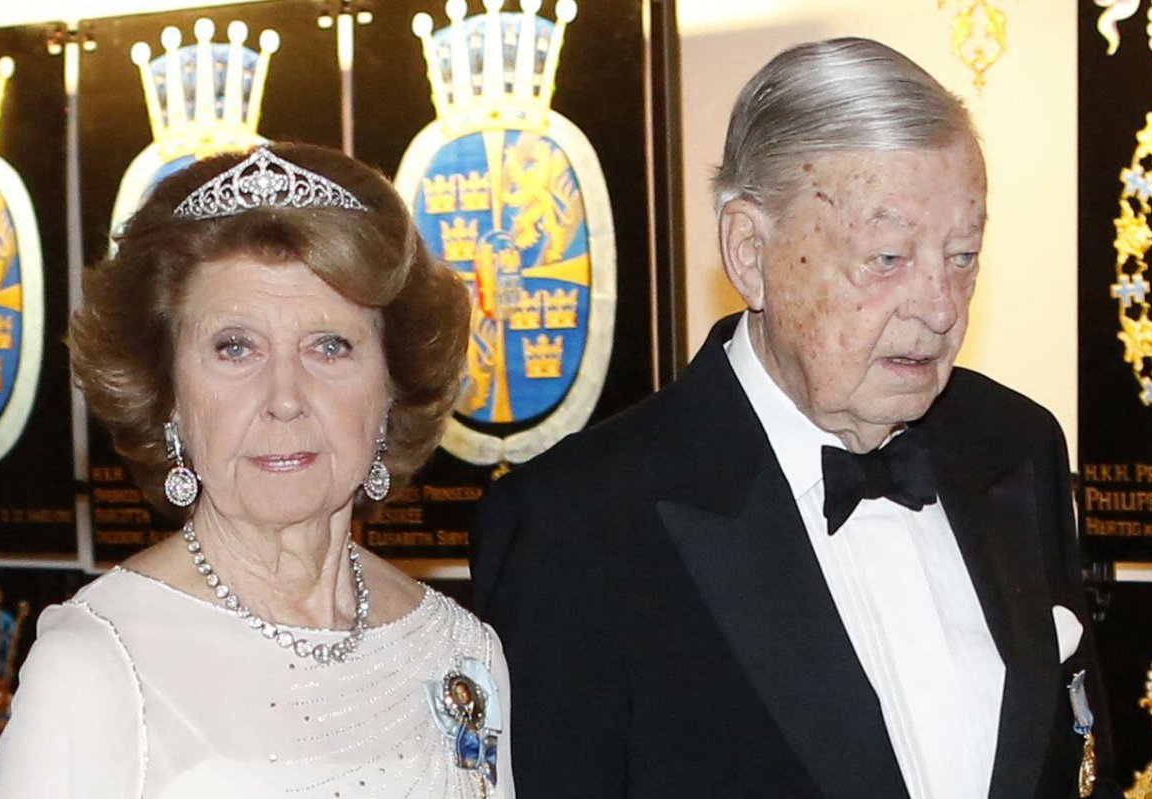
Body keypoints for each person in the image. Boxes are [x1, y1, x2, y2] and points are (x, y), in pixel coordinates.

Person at [471, 37, 1118, 799]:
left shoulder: (1017, 445)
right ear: (750, 252)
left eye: (963, 254)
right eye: (887, 258)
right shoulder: (577, 524)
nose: (942, 306)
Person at [0, 143, 513, 797]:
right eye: (235, 347)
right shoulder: (97, 662)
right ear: (168, 390)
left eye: (329, 345)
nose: (285, 397)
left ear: (392, 387)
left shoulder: (461, 651)